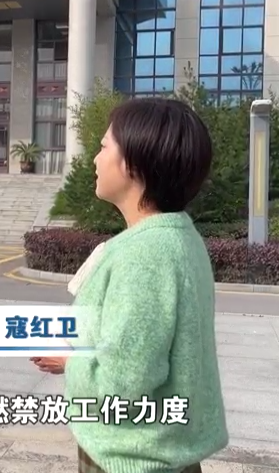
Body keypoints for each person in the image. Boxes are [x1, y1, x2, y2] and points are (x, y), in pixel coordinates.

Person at [32, 97, 227, 473]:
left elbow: (124, 382)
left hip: (134, 458)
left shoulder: (144, 254)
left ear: (133, 163)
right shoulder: (177, 238)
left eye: (104, 147)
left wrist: (69, 362)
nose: (95, 159)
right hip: (164, 452)